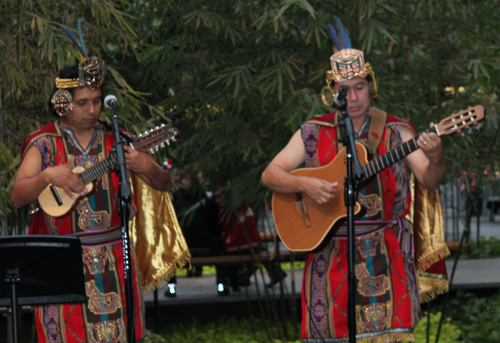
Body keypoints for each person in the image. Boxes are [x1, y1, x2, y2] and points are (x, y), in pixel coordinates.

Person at [261, 20, 449, 343]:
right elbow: (270, 174)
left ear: (371, 86)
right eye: (344, 89)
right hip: (327, 254)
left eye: (359, 86)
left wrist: (437, 157)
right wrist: (305, 186)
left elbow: (429, 180)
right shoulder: (313, 131)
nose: (353, 95)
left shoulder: (396, 131)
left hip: (385, 257)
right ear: (333, 93)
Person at [11, 50, 172, 342]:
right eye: (82, 103)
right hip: (61, 263)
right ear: (63, 104)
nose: (92, 110)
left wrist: (148, 166)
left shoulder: (118, 140)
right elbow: (18, 196)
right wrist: (48, 176)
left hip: (114, 256)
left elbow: (164, 183)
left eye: (97, 101)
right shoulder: (44, 143)